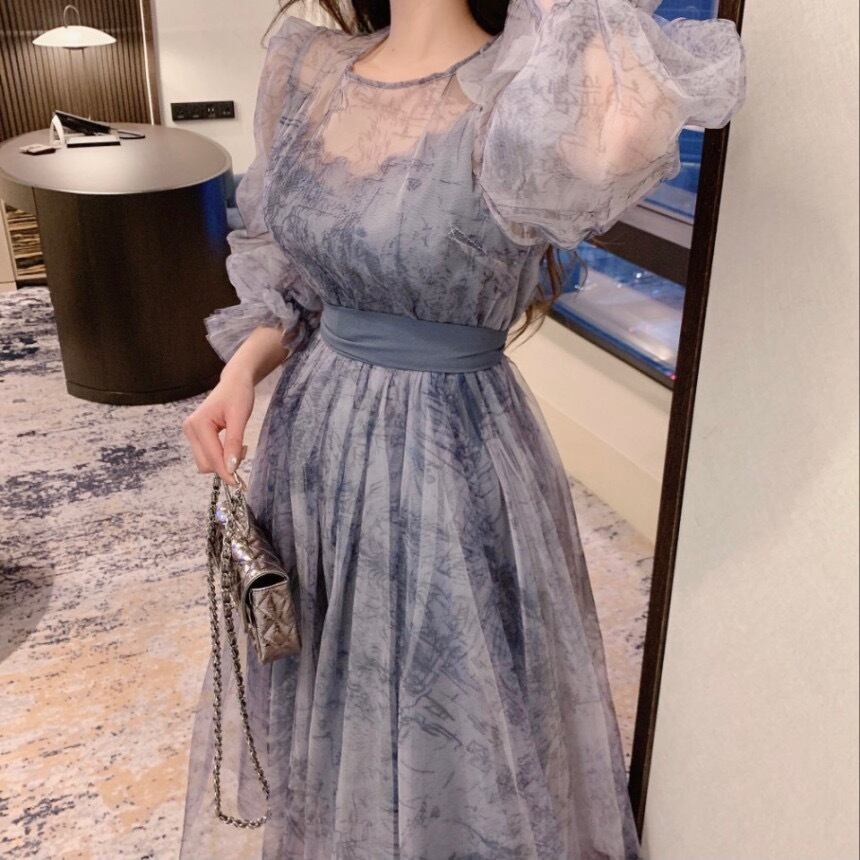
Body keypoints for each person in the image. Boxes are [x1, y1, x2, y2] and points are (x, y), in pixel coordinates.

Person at [179, 0, 746, 856]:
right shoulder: (308, 69)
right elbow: (297, 278)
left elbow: (629, 128)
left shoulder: (530, 88)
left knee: (449, 708)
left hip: (447, 458)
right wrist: (239, 373)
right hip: (311, 443)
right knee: (326, 680)